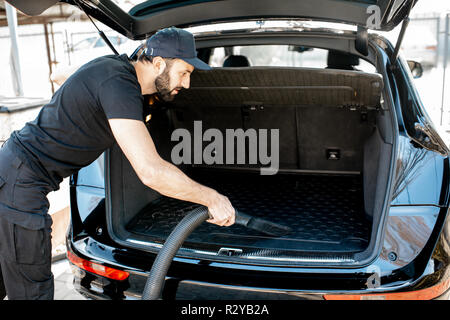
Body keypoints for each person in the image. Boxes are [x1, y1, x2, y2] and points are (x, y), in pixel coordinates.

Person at [0, 27, 236, 300]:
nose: (186, 83)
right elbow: (151, 173)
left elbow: (59, 75)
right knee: (33, 290)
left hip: (12, 171)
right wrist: (211, 198)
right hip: (21, 183)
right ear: (158, 63)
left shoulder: (113, 72)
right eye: (184, 72)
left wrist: (84, 87)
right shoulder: (118, 83)